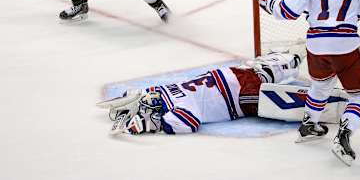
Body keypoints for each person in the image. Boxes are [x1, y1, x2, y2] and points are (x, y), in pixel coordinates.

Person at [258, 0, 360, 166]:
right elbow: (358, 14)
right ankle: (343, 136)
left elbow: (287, 12)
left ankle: (309, 124)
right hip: (345, 44)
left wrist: (269, 1)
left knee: (321, 85)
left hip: (316, 44)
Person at [97, 52, 303, 135]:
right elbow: (139, 94)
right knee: (259, 72)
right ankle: (289, 61)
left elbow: (189, 124)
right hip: (228, 74)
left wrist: (150, 123)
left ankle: (314, 102)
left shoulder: (174, 109)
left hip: (236, 96)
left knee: (275, 101)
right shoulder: (161, 91)